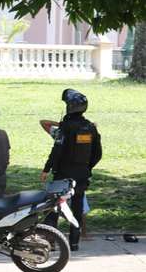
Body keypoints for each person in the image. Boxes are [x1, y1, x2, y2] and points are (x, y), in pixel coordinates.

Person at [41, 89, 102, 252]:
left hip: (63, 174)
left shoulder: (65, 127)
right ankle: (74, 243)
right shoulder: (90, 127)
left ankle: (51, 241)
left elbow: (57, 150)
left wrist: (46, 169)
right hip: (82, 175)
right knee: (77, 209)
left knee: (53, 206)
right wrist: (87, 167)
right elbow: (98, 153)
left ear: (69, 107)